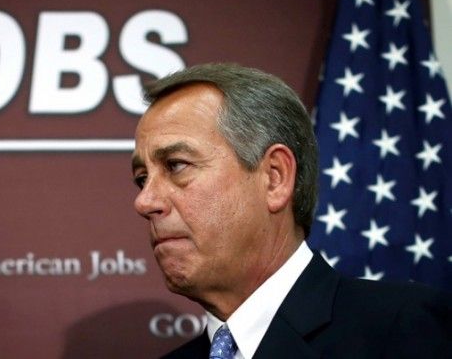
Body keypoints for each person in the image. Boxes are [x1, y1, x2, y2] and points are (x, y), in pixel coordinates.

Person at [131, 63, 452, 358]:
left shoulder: (403, 330)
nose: (144, 201)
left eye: (176, 165)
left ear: (275, 177)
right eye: (142, 178)